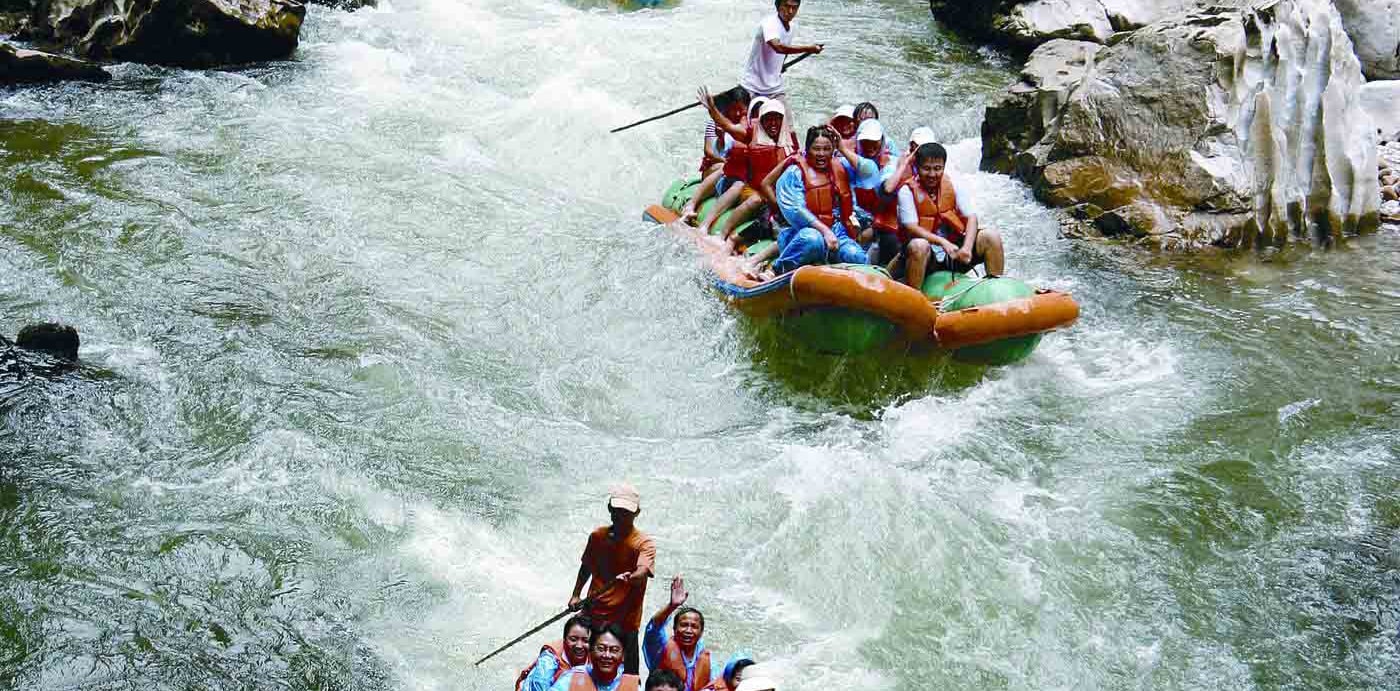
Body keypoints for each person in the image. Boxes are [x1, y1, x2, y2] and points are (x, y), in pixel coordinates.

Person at [568, 483, 656, 675]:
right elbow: (587, 566)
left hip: (625, 620)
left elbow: (643, 570)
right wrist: (576, 595)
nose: (621, 516)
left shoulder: (643, 543)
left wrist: (632, 578)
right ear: (610, 508)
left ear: (636, 513)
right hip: (594, 611)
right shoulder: (598, 536)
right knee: (574, 653)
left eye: (626, 512)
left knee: (629, 675)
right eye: (617, 510)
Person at [892, 142, 1005, 290]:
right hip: (924, 258)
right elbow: (911, 228)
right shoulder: (906, 191)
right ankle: (915, 299)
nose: (932, 174)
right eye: (926, 169)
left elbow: (971, 217)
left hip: (954, 255)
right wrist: (942, 242)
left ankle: (996, 290)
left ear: (943, 167)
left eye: (937, 169)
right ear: (917, 168)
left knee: (991, 236)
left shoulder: (953, 185)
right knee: (919, 245)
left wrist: (967, 247)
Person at [763, 125, 868, 274]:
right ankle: (776, 270)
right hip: (802, 232)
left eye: (826, 149)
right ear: (807, 149)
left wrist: (843, 148)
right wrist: (825, 231)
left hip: (836, 230)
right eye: (816, 149)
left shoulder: (840, 166)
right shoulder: (795, 172)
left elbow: (870, 174)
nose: (821, 154)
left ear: (833, 149)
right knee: (813, 239)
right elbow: (795, 210)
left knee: (855, 255)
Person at [702, 98, 794, 246]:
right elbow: (728, 126)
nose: (773, 123)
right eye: (768, 119)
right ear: (761, 119)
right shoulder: (751, 134)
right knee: (756, 199)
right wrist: (713, 110)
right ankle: (723, 234)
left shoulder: (789, 139)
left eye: (777, 119)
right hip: (752, 189)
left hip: (776, 192)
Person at [739, 0, 822, 147]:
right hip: (752, 87)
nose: (790, 11)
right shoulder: (770, 23)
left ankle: (796, 157)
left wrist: (780, 66)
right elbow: (778, 47)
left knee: (789, 130)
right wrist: (808, 48)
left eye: (794, 8)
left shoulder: (791, 28)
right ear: (778, 6)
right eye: (787, 6)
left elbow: (781, 54)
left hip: (775, 88)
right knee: (749, 131)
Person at [845, 119, 909, 265]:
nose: (870, 146)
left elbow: (887, 189)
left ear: (882, 141)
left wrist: (873, 229)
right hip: (855, 222)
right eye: (865, 142)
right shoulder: (846, 163)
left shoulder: (893, 164)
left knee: (889, 238)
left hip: (883, 224)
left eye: (875, 141)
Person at [643, 576, 712, 691]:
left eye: (694, 627)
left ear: (701, 633)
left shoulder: (706, 658)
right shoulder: (661, 647)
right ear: (674, 629)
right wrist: (672, 606)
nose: (688, 631)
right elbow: (653, 628)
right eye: (684, 625)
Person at [550, 624, 642, 691]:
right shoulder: (572, 678)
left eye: (614, 650)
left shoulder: (632, 685)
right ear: (590, 652)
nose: (607, 655)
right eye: (601, 649)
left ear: (623, 656)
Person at [518, 615, 594, 691]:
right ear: (564, 640)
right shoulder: (549, 658)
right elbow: (539, 683)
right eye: (573, 639)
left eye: (586, 641)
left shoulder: (596, 656)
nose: (579, 646)